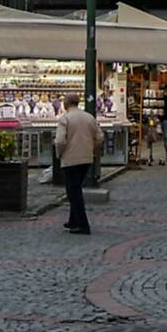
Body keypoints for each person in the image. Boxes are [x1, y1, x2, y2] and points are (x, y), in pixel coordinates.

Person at [54, 93, 103, 235]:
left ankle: (83, 224)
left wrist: (59, 153)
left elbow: (60, 141)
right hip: (86, 158)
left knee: (73, 192)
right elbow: (100, 137)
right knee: (76, 188)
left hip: (70, 159)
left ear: (66, 103)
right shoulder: (89, 117)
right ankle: (73, 220)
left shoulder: (65, 119)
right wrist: (92, 149)